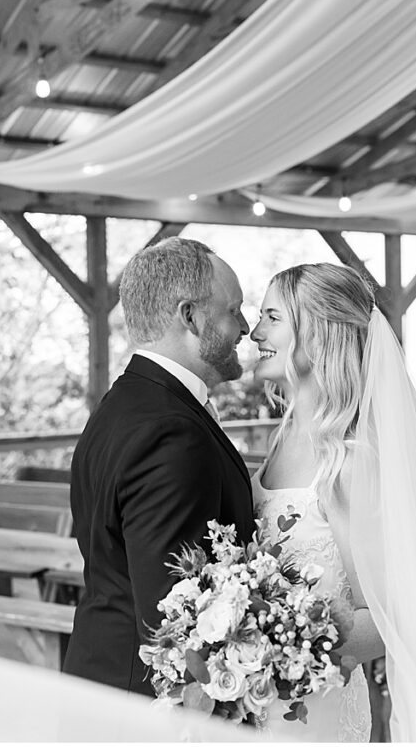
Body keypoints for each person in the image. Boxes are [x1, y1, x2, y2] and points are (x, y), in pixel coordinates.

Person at [249, 263, 416, 741]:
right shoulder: (281, 441)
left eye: (272, 317)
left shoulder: (349, 459)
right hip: (262, 703)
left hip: (317, 711)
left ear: (319, 336)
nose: (255, 331)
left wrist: (276, 645)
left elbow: (387, 618)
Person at [62, 237, 256, 694]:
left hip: (101, 675)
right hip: (142, 703)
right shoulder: (171, 432)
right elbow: (173, 614)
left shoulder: (124, 403)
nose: (245, 326)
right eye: (234, 309)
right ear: (190, 315)